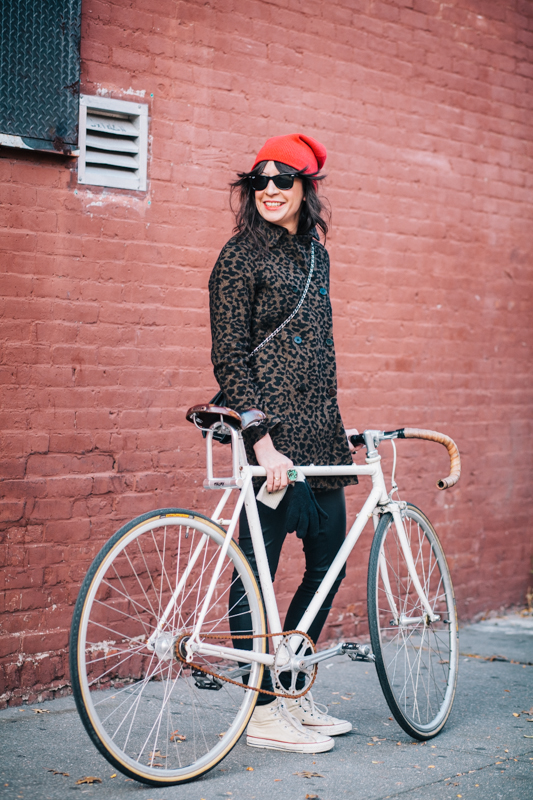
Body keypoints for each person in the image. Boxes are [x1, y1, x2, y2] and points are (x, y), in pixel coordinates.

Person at [208, 133, 359, 754]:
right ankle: (262, 708)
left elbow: (316, 352)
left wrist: (336, 425)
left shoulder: (316, 258)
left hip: (321, 437)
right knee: (257, 573)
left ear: (306, 188)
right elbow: (231, 355)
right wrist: (261, 442)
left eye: (283, 179)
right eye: (259, 180)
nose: (269, 189)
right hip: (271, 443)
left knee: (329, 564)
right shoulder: (239, 256)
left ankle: (290, 685)